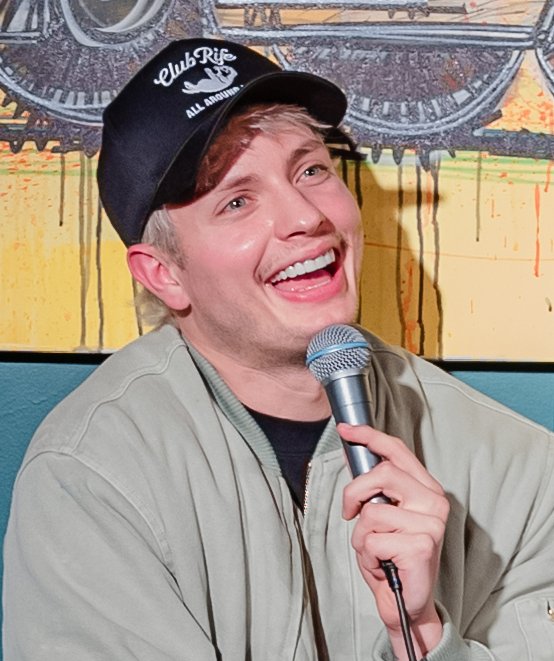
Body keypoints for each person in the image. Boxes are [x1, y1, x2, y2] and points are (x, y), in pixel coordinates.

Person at [3, 37, 554, 661]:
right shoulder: (91, 475)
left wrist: (423, 636)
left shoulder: (519, 470)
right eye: (236, 201)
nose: (305, 218)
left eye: (310, 170)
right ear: (164, 274)